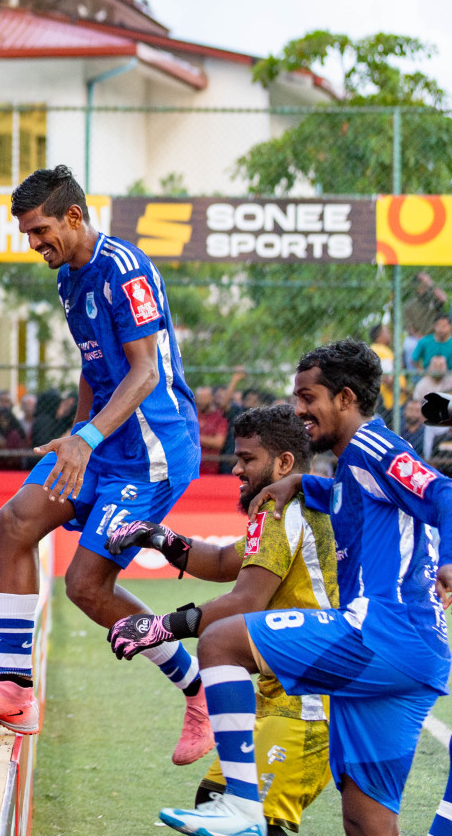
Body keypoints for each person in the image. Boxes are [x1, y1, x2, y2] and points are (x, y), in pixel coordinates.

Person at [0, 165, 208, 765]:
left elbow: (144, 374)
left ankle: (199, 691)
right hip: (105, 442)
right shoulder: (69, 280)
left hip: (153, 454)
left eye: (39, 231)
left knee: (85, 586)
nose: (33, 244)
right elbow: (93, 365)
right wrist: (77, 434)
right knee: (14, 523)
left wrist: (87, 439)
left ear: (75, 217)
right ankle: (15, 689)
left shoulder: (125, 270)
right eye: (28, 234)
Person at [158, 341, 452, 836]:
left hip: (383, 632)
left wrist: (449, 561)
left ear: (344, 398)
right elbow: (355, 497)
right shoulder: (351, 464)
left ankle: (244, 805)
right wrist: (299, 484)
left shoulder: (373, 446)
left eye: (307, 397)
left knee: (220, 641)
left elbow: (444, 493)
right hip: (414, 654)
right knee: (365, 821)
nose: (298, 409)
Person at [104, 405, 334, 836]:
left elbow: (244, 600)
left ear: (284, 463)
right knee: (212, 800)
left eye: (248, 459)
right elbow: (228, 560)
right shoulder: (285, 506)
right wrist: (161, 537)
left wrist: (159, 627)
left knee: (259, 823)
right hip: (284, 693)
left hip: (309, 702)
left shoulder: (283, 510)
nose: (237, 469)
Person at [196, 385, 230, 474]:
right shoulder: (191, 415)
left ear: (211, 398)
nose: (201, 401)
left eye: (204, 398)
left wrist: (194, 437)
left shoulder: (219, 417)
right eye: (199, 398)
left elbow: (218, 442)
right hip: (191, 467)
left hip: (210, 469)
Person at [369, 324, 395, 414]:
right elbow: (388, 378)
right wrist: (401, 389)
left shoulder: (373, 349)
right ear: (379, 336)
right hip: (387, 400)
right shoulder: (381, 350)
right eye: (387, 332)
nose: (390, 334)